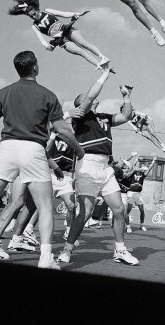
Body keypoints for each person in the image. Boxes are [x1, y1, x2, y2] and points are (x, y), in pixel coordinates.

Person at [0, 51, 85, 269]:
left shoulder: (4, 92)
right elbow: (62, 129)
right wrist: (78, 149)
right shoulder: (47, 95)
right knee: (45, 206)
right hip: (33, 150)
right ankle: (45, 258)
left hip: (6, 148)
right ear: (35, 67)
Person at [57, 69, 139, 265]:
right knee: (85, 212)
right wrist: (104, 75)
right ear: (80, 104)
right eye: (85, 98)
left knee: (119, 210)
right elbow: (92, 94)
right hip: (89, 165)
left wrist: (126, 97)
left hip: (106, 166)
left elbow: (126, 116)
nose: (91, 98)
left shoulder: (103, 117)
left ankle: (120, 250)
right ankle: (67, 249)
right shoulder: (81, 116)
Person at [8, 0, 113, 71]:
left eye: (34, 14)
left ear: (37, 9)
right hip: (61, 40)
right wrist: (47, 46)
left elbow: (64, 14)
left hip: (67, 29)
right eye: (30, 16)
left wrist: (78, 14)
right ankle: (100, 66)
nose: (33, 17)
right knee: (81, 52)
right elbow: (41, 40)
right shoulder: (35, 26)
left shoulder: (47, 11)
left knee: (85, 44)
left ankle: (103, 57)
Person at [126, 157, 157, 233]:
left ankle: (142, 225)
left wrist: (153, 162)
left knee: (142, 210)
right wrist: (136, 160)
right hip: (131, 193)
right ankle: (128, 226)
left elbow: (149, 169)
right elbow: (133, 166)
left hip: (138, 194)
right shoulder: (133, 173)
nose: (142, 170)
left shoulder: (143, 175)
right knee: (128, 210)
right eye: (141, 169)